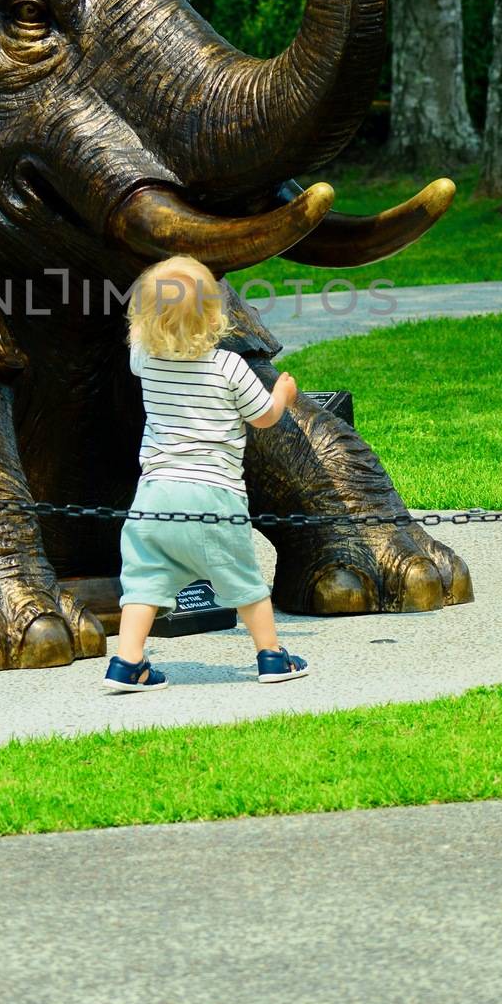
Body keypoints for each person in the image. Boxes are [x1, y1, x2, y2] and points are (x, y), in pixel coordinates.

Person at [104, 254, 309, 692]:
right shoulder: (229, 367)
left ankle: (128, 662)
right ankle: (272, 656)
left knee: (143, 583)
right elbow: (264, 418)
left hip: (154, 496)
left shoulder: (145, 361)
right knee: (244, 582)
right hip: (214, 495)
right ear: (216, 315)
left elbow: (142, 340)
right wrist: (284, 395)